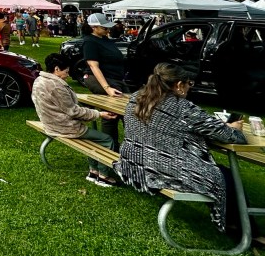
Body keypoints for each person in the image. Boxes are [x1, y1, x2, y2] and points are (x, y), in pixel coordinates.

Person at [116, 63, 250, 234]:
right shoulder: (183, 108)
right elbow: (231, 137)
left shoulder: (137, 97)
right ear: (179, 85)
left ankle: (238, 225)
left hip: (134, 161)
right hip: (163, 168)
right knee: (225, 177)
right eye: (189, 84)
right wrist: (235, 128)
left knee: (224, 174)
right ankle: (243, 229)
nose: (189, 88)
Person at [32, 54, 119, 187]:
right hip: (65, 127)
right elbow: (74, 111)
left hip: (50, 123)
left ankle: (93, 171)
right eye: (66, 72)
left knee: (93, 138)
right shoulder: (56, 86)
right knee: (107, 140)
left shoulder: (39, 80)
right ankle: (103, 176)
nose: (67, 75)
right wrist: (100, 114)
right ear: (56, 69)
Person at [82, 12, 130, 144]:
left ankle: (127, 145)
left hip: (115, 78)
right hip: (100, 78)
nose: (107, 29)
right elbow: (93, 66)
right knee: (112, 111)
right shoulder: (90, 41)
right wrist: (107, 88)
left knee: (128, 108)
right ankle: (110, 146)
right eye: (104, 27)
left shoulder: (105, 39)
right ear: (94, 27)